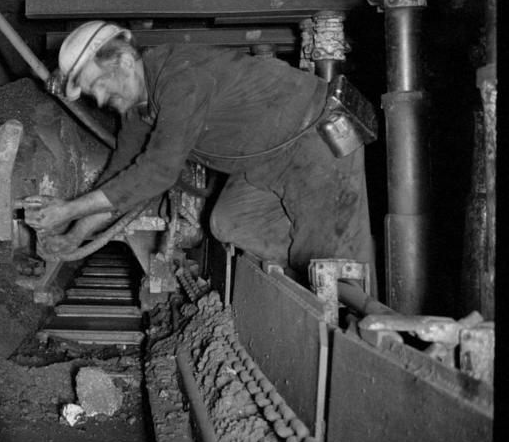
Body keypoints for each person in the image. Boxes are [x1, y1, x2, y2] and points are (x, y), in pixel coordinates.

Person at [25, 20, 373, 279]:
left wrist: (68, 209)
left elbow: (158, 172)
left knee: (327, 263)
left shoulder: (180, 75)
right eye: (91, 92)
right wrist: (76, 234)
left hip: (311, 141)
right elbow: (121, 183)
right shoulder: (137, 111)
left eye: (100, 83)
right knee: (228, 223)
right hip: (264, 165)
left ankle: (335, 280)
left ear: (126, 61)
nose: (100, 98)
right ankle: (306, 258)